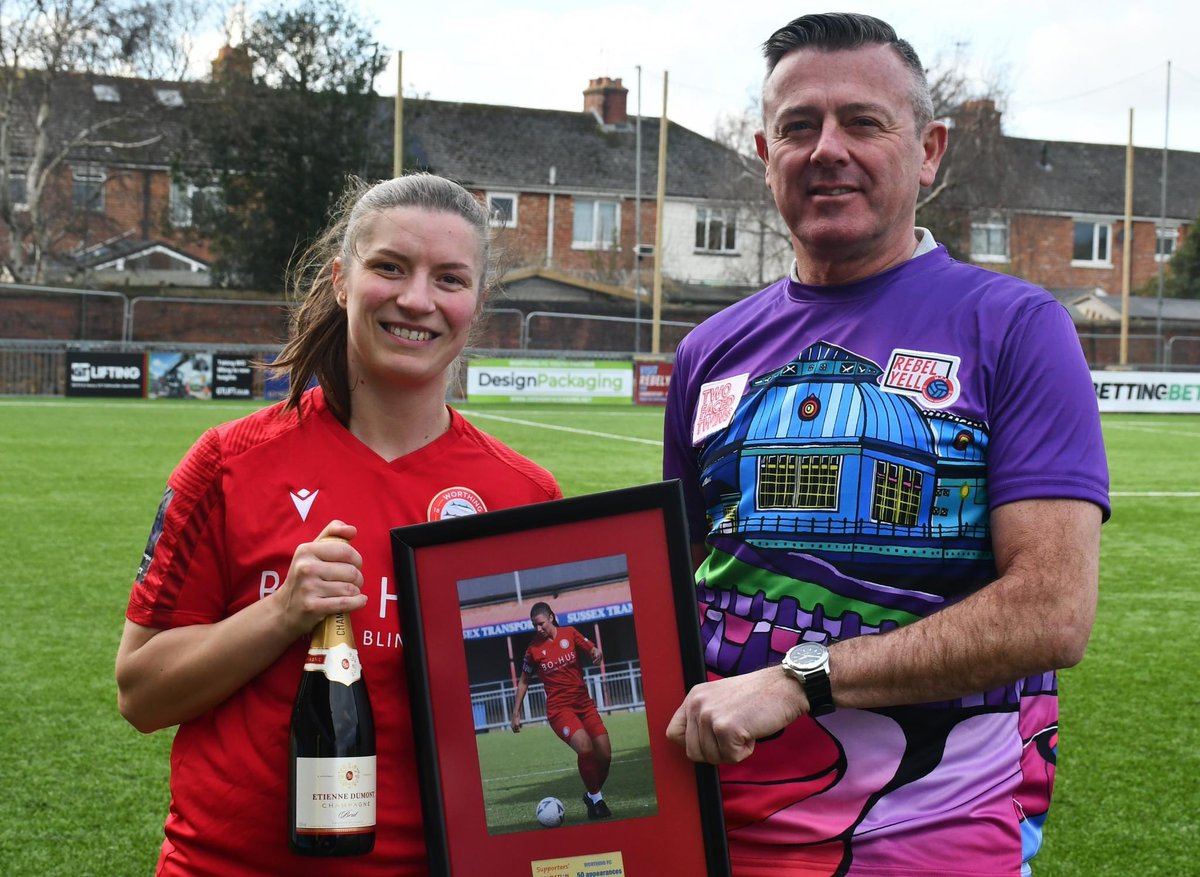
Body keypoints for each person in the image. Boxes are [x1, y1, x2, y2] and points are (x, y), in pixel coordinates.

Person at [663, 13, 1108, 877]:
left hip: (934, 835)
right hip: (723, 834)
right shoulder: (707, 351)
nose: (827, 147)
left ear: (930, 149)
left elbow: (1052, 609)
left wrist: (802, 677)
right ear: (765, 151)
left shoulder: (1015, 328)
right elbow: (679, 589)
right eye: (799, 126)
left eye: (863, 121)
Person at [115, 172, 562, 876]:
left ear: (477, 302)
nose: (417, 299)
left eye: (449, 278)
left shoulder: (523, 497)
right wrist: (283, 611)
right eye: (389, 267)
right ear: (341, 280)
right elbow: (141, 693)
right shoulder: (229, 462)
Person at [510, 601, 613, 819]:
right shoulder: (533, 651)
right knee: (585, 747)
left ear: (551, 617)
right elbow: (523, 681)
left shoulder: (570, 633)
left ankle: (592, 795)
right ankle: (598, 801)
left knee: (604, 754)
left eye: (540, 624)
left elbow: (593, 649)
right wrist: (516, 713)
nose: (538, 629)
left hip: (584, 704)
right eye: (534, 626)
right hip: (559, 711)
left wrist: (597, 653)